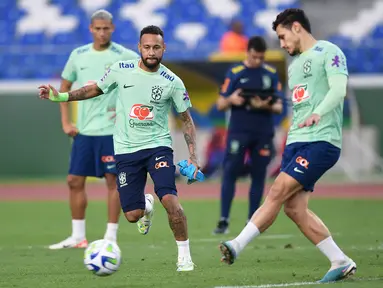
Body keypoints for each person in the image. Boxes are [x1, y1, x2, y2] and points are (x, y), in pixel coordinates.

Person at [39, 25, 198, 272]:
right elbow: (93, 89)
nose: (152, 52)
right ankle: (146, 205)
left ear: (164, 48)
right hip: (126, 150)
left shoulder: (172, 82)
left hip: (158, 147)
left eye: (157, 47)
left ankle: (184, 257)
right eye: (147, 47)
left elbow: (186, 119)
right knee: (132, 215)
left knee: (169, 198)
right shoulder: (121, 70)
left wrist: (193, 156)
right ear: (139, 48)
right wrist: (61, 97)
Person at [218, 9, 357, 283]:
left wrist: (320, 112)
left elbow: (338, 89)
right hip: (296, 143)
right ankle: (340, 261)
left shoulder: (329, 51)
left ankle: (236, 245)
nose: (281, 44)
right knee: (294, 208)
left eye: (282, 37)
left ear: (296, 28)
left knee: (277, 190)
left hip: (321, 140)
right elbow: (296, 108)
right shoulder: (293, 68)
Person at [48, 10, 139, 250]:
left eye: (106, 28)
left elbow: (139, 85)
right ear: (90, 29)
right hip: (85, 132)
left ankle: (111, 236)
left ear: (113, 28)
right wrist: (66, 123)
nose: (102, 32)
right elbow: (64, 88)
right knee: (74, 180)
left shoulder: (126, 56)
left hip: (112, 132)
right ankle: (78, 236)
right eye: (97, 28)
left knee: (113, 182)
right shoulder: (78, 55)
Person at [213, 36, 283, 234]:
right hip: (239, 132)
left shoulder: (270, 73)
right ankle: (224, 219)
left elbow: (278, 106)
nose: (258, 61)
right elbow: (220, 103)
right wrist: (232, 100)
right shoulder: (235, 72)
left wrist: (265, 104)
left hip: (263, 133)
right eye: (254, 57)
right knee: (230, 172)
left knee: (259, 176)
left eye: (261, 57)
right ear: (247, 52)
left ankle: (253, 220)